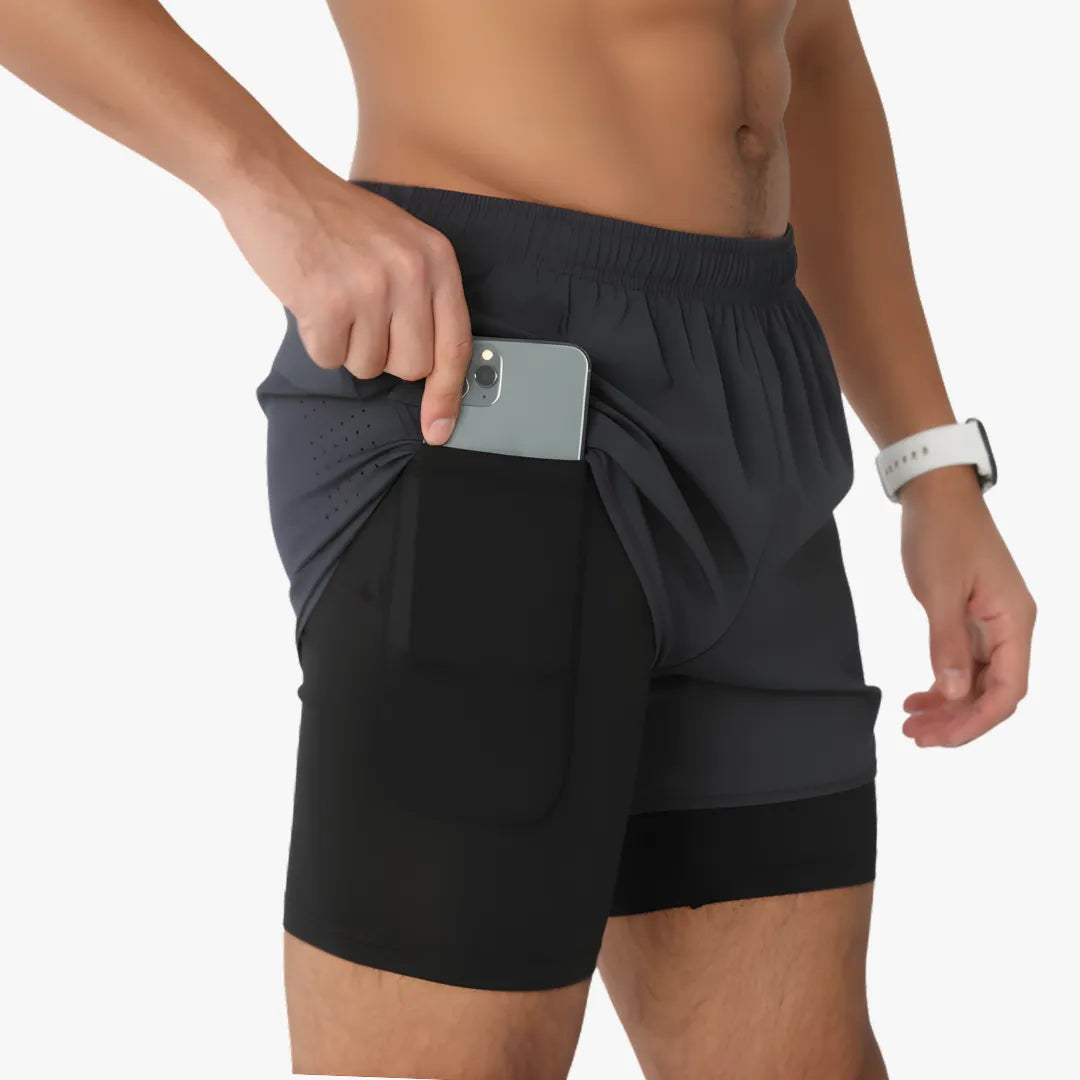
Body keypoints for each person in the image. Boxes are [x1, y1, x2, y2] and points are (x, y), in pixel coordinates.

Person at [0, 1, 1036, 1077]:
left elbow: (808, 36)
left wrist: (931, 461)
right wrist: (266, 186)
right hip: (484, 374)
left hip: (758, 393)